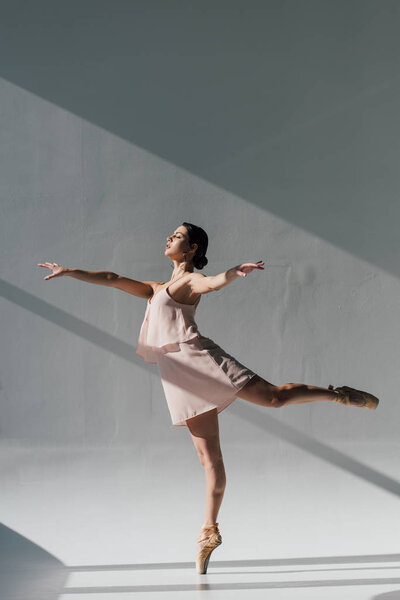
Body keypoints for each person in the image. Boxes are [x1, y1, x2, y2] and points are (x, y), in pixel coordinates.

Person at [38, 221, 379, 574]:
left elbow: (210, 282)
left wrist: (233, 272)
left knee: (274, 398)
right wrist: (69, 272)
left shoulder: (186, 282)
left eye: (179, 236)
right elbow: (112, 278)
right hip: (180, 378)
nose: (170, 237)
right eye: (171, 233)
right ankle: (208, 532)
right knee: (209, 460)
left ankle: (338, 395)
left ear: (192, 250)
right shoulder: (157, 288)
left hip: (202, 361)